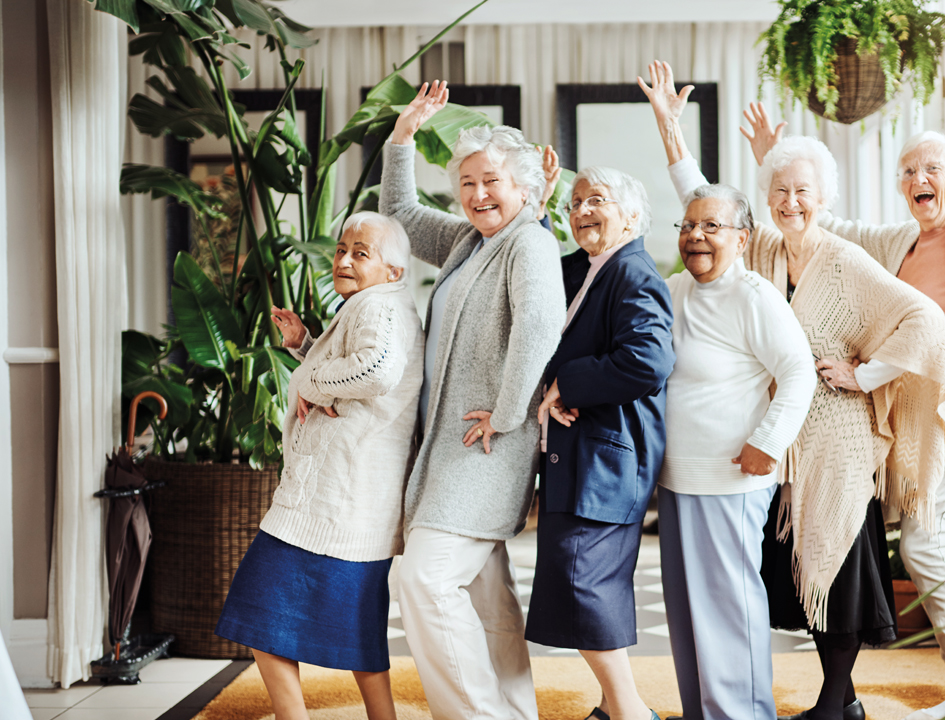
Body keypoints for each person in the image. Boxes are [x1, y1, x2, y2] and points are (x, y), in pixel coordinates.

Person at [642, 61, 945, 720]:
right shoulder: (757, 251)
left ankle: (831, 703)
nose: (791, 203)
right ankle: (834, 701)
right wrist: (669, 125)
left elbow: (920, 318)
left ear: (826, 195)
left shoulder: (844, 259)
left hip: (836, 436)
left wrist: (864, 374)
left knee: (836, 567)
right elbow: (703, 200)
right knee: (786, 571)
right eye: (779, 192)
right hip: (780, 437)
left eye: (803, 191)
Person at [736, 103, 945, 720]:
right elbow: (821, 224)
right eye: (908, 170)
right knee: (886, 541)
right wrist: (775, 168)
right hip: (903, 409)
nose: (918, 178)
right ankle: (849, 697)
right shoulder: (899, 240)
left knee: (923, 547)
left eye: (931, 168)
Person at [380, 80, 566, 720]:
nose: (478, 194)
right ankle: (514, 709)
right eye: (467, 182)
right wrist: (403, 137)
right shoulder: (469, 241)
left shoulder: (530, 243)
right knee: (486, 595)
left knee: (426, 581)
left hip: (484, 447)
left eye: (491, 181)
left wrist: (510, 413)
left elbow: (540, 330)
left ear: (523, 187)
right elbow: (400, 217)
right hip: (453, 447)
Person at [216, 211, 425, 720]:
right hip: (349, 501)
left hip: (331, 503)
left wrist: (310, 381)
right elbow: (364, 372)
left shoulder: (375, 308)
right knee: (358, 634)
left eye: (361, 252)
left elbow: (377, 369)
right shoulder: (379, 303)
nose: (345, 260)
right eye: (342, 249)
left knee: (256, 608)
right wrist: (307, 349)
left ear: (393, 271)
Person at [658, 182, 817, 720]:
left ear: (743, 238)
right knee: (685, 617)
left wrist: (767, 442)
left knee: (727, 612)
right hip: (675, 477)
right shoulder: (674, 288)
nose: (695, 236)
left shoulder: (754, 296)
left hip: (730, 478)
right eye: (687, 225)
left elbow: (799, 374)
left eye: (711, 226)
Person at [527, 166, 676, 720]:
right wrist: (539, 211)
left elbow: (648, 362)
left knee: (585, 587)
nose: (583, 210)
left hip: (607, 463)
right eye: (575, 203)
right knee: (585, 588)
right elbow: (535, 269)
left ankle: (631, 711)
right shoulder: (587, 268)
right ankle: (618, 708)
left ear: (632, 215)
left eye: (598, 200)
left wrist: (569, 383)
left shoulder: (634, 273)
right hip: (578, 459)